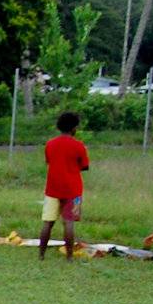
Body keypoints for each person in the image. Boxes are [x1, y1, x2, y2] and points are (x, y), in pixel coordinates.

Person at [40, 111, 89, 261]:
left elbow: (49, 161)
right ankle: (69, 256)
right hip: (73, 191)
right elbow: (84, 166)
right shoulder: (79, 145)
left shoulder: (50, 144)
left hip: (52, 189)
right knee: (69, 222)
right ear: (74, 128)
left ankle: (41, 255)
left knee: (48, 222)